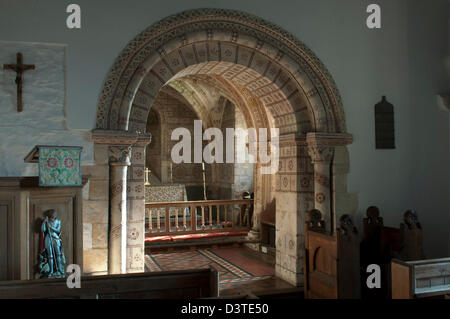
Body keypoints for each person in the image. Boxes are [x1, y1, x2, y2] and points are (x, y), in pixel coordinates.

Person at [39, 209, 66, 278]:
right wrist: (44, 223)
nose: (54, 215)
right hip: (48, 238)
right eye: (53, 213)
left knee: (58, 254)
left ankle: (59, 270)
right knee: (50, 256)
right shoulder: (47, 221)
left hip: (55, 237)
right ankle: (51, 271)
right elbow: (43, 230)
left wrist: (51, 227)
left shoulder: (58, 221)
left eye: (55, 214)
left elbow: (58, 230)